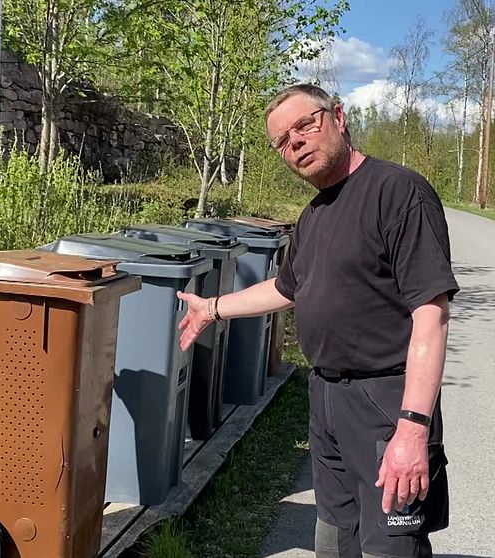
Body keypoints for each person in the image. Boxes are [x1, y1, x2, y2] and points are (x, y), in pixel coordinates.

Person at [177, 83, 458, 558]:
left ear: (339, 117)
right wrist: (214, 308)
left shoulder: (398, 192)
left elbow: (431, 314)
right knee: (334, 539)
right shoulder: (314, 215)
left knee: (390, 547)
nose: (296, 143)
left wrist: (413, 428)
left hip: (386, 401)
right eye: (283, 141)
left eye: (305, 125)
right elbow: (287, 288)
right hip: (326, 398)